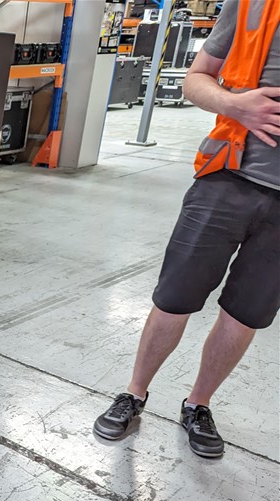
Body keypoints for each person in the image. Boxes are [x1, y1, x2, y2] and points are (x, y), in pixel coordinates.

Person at [94, 0, 280, 458]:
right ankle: (134, 392)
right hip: (227, 177)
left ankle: (198, 404)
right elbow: (195, 79)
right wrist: (235, 105)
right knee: (175, 298)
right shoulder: (253, 4)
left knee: (245, 314)